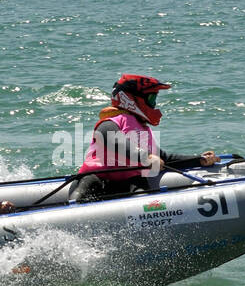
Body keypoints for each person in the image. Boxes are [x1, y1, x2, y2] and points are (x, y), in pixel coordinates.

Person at [69, 74, 217, 202]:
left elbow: (164, 158)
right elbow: (114, 141)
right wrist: (145, 157)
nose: (154, 104)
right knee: (88, 183)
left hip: (130, 181)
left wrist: (199, 159)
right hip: (97, 177)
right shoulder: (110, 122)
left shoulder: (143, 129)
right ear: (131, 99)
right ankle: (72, 211)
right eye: (151, 99)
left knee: (142, 191)